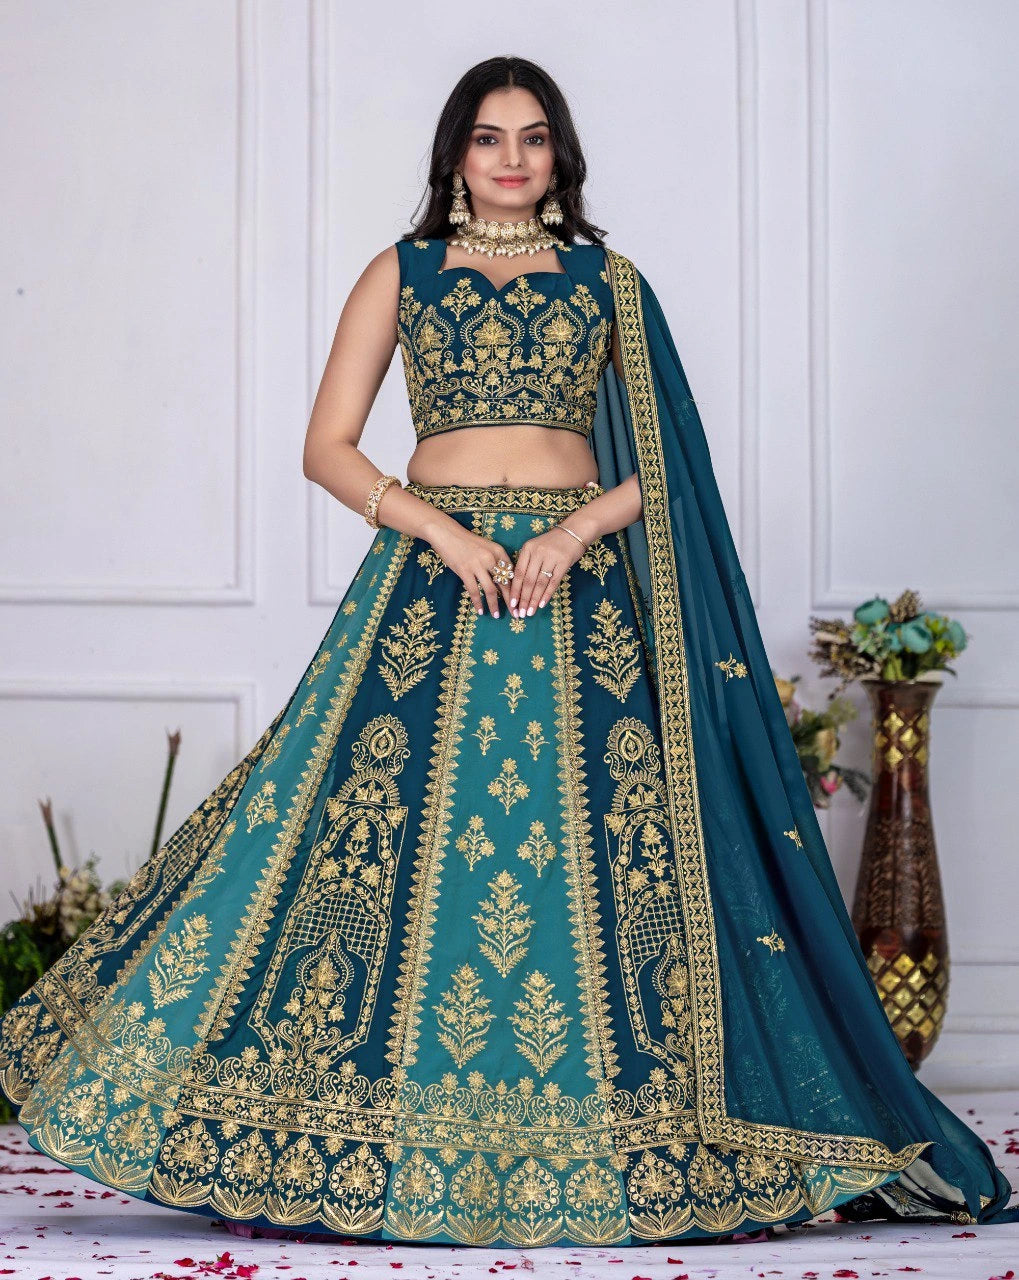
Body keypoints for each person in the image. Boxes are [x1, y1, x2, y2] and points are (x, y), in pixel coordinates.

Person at [0, 55, 1015, 1251]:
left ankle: (613, 1141)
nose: (513, 158)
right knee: (333, 846)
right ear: (455, 154)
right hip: (430, 587)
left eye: (533, 137)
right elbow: (327, 447)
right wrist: (440, 529)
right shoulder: (402, 271)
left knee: (603, 869)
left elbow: (670, 463)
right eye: (489, 138)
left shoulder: (607, 281)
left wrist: (572, 532)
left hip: (578, 597)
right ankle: (344, 1130)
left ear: (558, 155)